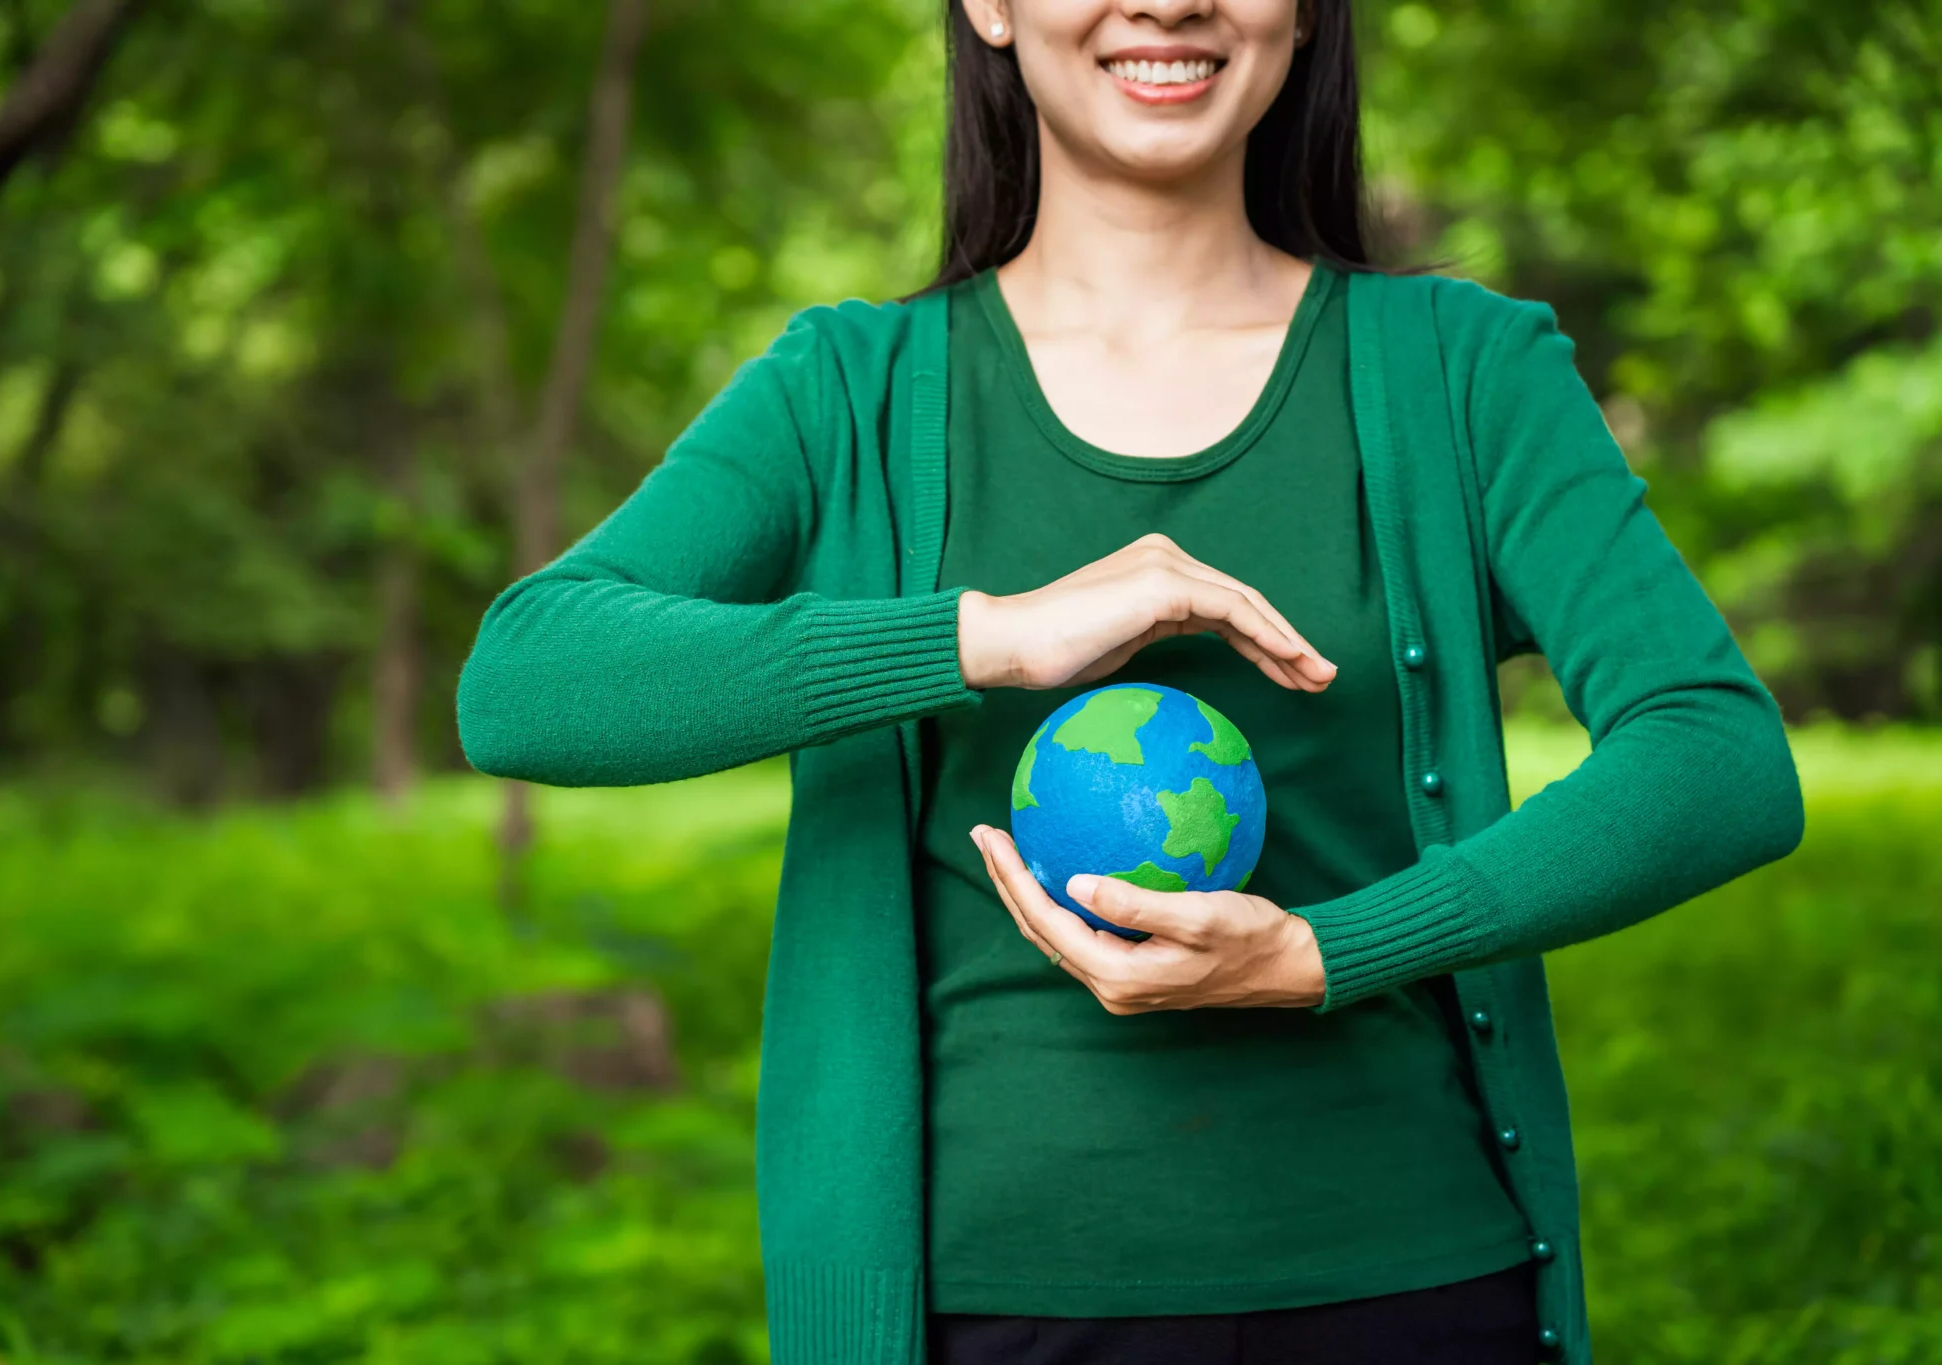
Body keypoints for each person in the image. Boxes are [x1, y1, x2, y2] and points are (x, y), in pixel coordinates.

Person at [455, 0, 1805, 1361]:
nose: (1169, 1)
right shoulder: (847, 391)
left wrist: (1329, 953)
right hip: (982, 1311)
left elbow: (1716, 752)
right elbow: (523, 679)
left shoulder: (1465, 373)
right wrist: (984, 637)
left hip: (1414, 1288)